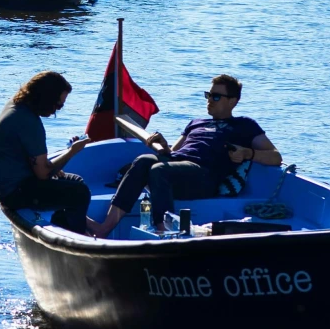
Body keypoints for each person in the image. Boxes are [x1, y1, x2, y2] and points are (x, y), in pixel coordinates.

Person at [99, 74, 282, 236]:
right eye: (208, 95)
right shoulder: (195, 123)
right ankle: (105, 227)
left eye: (216, 96)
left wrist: (247, 153)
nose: (210, 100)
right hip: (179, 168)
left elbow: (275, 156)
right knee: (142, 161)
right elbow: (174, 153)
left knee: (159, 170)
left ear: (232, 101)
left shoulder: (244, 125)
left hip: (204, 176)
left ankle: (164, 229)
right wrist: (163, 145)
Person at [0, 70, 92, 233]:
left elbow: (35, 161)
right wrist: (72, 152)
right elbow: (43, 174)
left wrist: (54, 167)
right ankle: (79, 238)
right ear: (47, 98)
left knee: (75, 181)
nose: (57, 111)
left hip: (14, 183)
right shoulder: (29, 123)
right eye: (58, 104)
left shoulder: (16, 105)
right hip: (15, 192)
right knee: (80, 193)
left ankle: (63, 224)